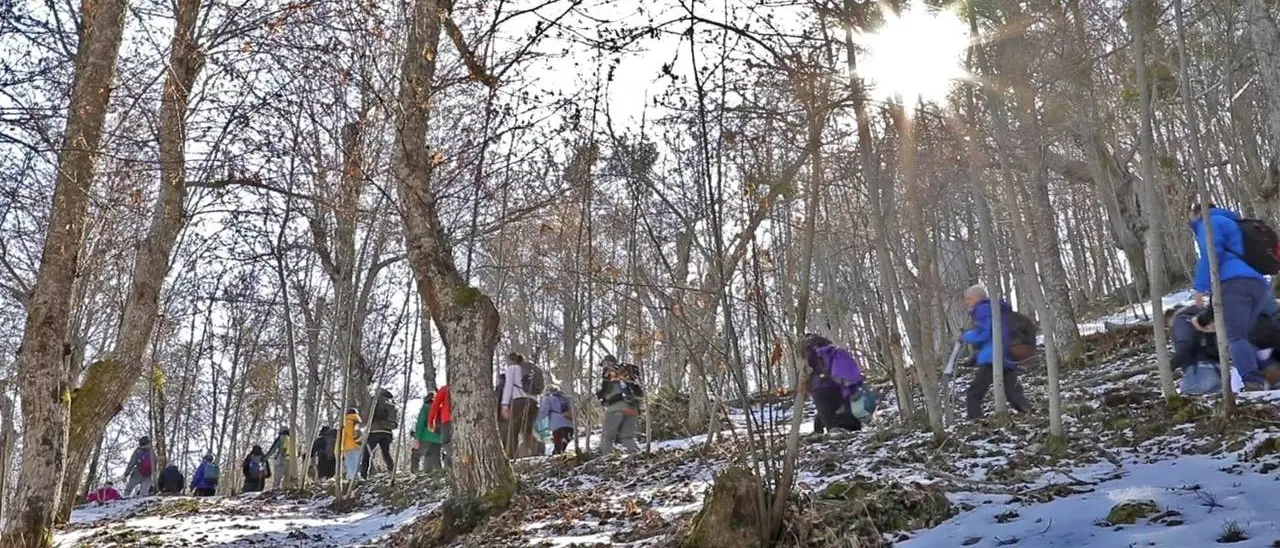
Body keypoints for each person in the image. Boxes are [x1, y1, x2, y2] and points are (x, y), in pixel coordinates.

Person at [1190, 203, 1272, 391]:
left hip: (1235, 283)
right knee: (1243, 336)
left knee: (1235, 337)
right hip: (1258, 283)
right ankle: (1260, 380)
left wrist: (1200, 287)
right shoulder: (1232, 221)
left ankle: (1253, 383)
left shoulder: (1209, 223)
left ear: (1197, 212)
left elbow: (1212, 254)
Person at [961, 285, 1033, 420]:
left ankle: (975, 420)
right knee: (1013, 392)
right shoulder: (995, 308)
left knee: (974, 392)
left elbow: (986, 334)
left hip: (992, 357)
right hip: (1006, 355)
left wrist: (966, 336)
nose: (966, 302)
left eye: (968, 299)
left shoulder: (983, 309)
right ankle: (1028, 412)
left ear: (977, 297)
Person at [802, 335, 866, 433]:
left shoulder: (809, 352)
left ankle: (826, 435)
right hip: (837, 386)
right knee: (838, 411)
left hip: (819, 387)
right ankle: (850, 434)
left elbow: (805, 371)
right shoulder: (833, 351)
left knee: (828, 418)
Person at [595, 355, 643, 455]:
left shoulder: (610, 372)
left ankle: (606, 459)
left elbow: (607, 391)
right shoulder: (627, 373)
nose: (603, 366)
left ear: (609, 362)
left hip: (616, 408)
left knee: (607, 436)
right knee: (627, 437)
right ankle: (637, 455)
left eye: (604, 363)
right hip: (632, 408)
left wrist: (601, 396)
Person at [500, 353, 540, 459]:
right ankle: (536, 453)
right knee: (527, 430)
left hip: (519, 401)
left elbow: (508, 387)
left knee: (513, 430)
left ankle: (512, 457)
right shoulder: (530, 369)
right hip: (533, 402)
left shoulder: (512, 369)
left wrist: (504, 404)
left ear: (511, 360)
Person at [361, 389, 398, 478]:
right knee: (386, 452)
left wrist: (365, 424)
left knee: (367, 453)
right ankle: (392, 471)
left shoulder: (374, 400)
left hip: (375, 430)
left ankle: (364, 475)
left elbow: (367, 416)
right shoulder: (392, 404)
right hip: (387, 432)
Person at [538, 386, 576, 455]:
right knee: (564, 444)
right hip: (570, 425)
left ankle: (557, 459)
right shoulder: (567, 398)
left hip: (557, 426)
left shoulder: (548, 398)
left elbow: (543, 413)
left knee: (558, 447)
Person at [411, 392, 439, 473]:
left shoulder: (426, 407)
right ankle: (437, 471)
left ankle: (415, 472)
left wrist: (417, 438)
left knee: (415, 454)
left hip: (427, 435)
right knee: (434, 454)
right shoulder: (440, 407)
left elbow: (420, 423)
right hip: (439, 436)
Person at [428, 385, 453, 469]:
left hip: (447, 420)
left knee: (445, 443)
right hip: (463, 419)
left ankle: (454, 456)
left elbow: (435, 405)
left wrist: (431, 421)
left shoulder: (445, 389)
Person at [339, 408, 363, 480]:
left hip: (347, 446)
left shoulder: (347, 422)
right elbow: (357, 434)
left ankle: (351, 477)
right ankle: (354, 477)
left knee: (350, 462)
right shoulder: (357, 422)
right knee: (355, 462)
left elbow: (350, 433)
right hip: (356, 445)